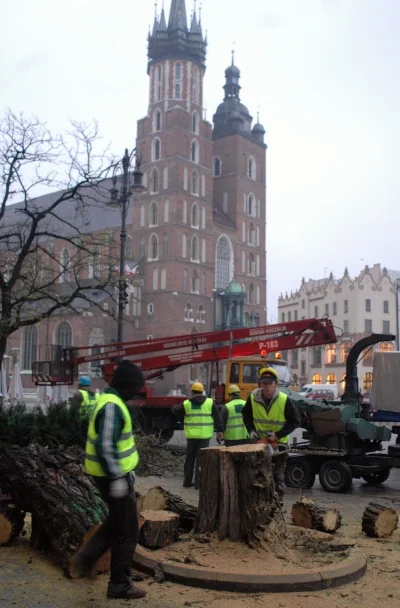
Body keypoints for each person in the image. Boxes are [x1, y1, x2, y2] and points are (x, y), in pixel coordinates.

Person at [68, 360, 146, 601]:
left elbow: (117, 446)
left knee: (116, 522)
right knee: (127, 528)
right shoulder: (112, 406)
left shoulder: (112, 401)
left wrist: (126, 474)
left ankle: (86, 557)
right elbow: (105, 446)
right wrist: (117, 479)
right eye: (136, 387)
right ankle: (119, 584)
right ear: (127, 386)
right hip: (112, 477)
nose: (138, 392)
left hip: (115, 475)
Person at [242, 367, 301, 505]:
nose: (267, 387)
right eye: (264, 383)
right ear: (260, 384)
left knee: (278, 476)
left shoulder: (284, 400)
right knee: (258, 475)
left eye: (270, 383)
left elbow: (295, 420)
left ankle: (277, 505)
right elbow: (246, 415)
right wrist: (251, 430)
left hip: (278, 445)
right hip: (260, 444)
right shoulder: (253, 398)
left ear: (275, 384)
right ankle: (260, 504)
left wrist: (278, 435)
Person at [172, 381, 223, 489]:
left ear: (192, 392)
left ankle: (187, 481)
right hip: (204, 436)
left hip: (191, 436)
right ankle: (199, 483)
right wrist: (220, 430)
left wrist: (176, 408)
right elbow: (218, 417)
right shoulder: (210, 402)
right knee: (201, 459)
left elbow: (176, 411)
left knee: (190, 458)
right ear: (202, 391)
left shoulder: (186, 403)